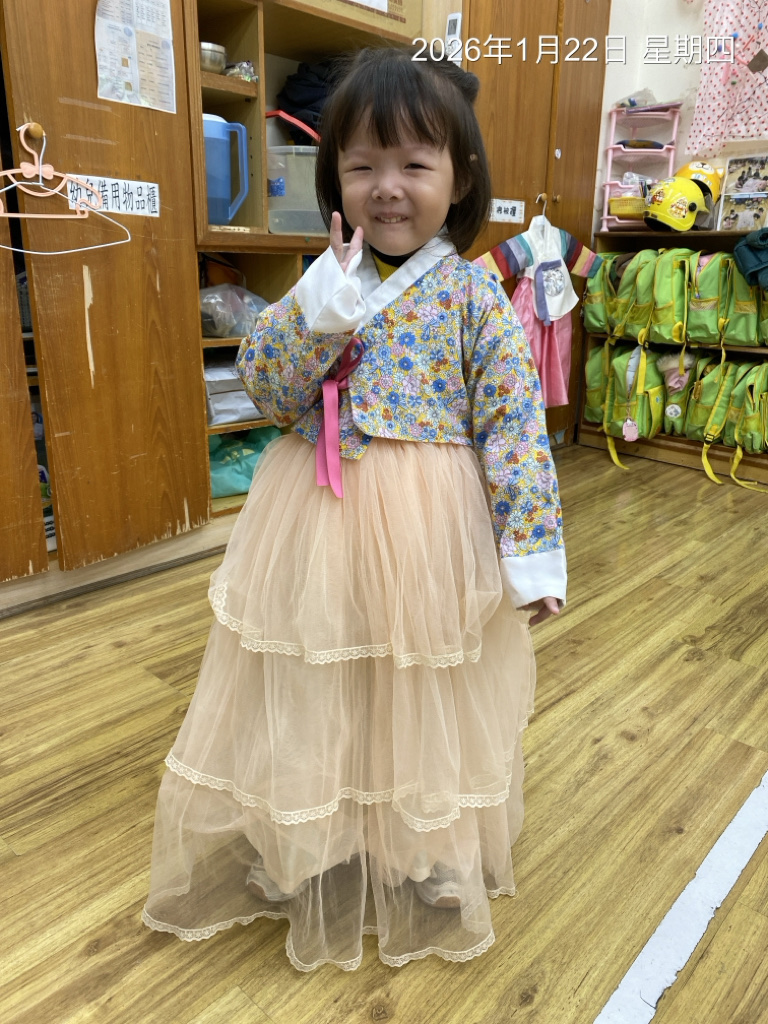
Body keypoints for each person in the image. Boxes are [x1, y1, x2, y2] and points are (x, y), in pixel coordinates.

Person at [142, 47, 566, 971]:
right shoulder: (323, 275)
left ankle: (420, 842)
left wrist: (531, 554)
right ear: (334, 174)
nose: (387, 187)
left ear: (459, 179)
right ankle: (313, 833)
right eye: (363, 164)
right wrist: (318, 312)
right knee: (320, 676)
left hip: (428, 529)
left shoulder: (471, 291)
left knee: (417, 685)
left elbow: (514, 426)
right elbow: (267, 386)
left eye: (414, 163)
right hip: (317, 519)